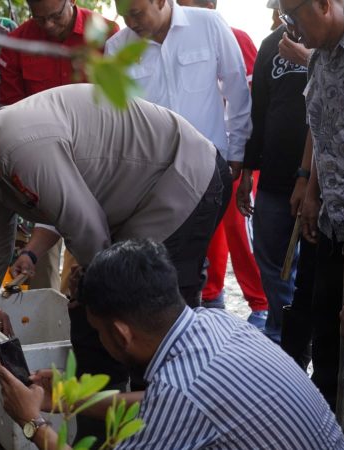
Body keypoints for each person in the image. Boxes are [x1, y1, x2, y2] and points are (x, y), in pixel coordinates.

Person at [0, 85, 229, 394]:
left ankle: (163, 421)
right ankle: (103, 433)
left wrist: (89, 288)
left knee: (150, 326)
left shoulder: (17, 147)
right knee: (92, 328)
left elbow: (85, 226)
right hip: (137, 206)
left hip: (181, 180)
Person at [0, 239, 344, 449]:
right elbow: (156, 403)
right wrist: (73, 398)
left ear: (120, 334)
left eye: (99, 332)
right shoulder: (216, 323)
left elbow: (173, 402)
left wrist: (33, 423)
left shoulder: (181, 392)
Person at [106, 0, 253, 312]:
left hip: (208, 169)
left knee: (188, 262)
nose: (131, 23)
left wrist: (237, 150)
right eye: (124, 15)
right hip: (152, 179)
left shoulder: (208, 25)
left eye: (136, 13)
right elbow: (117, 122)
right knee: (162, 263)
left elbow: (236, 87)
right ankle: (185, 327)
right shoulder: (117, 48)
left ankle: (195, 326)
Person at [282, 0, 344, 426]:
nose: (290, 27)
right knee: (327, 344)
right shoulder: (320, 57)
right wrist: (312, 189)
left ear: (323, 4)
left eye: (294, 14)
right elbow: (321, 131)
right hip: (333, 227)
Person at [0, 0, 119, 293]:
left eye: (55, 17)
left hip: (96, 161)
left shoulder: (107, 34)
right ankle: (45, 328)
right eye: (40, 20)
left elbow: (121, 101)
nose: (49, 26)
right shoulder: (17, 44)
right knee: (38, 264)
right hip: (42, 165)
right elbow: (12, 112)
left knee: (88, 264)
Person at [173, 0, 268, 328]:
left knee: (242, 238)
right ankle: (212, 310)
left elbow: (253, 104)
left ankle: (263, 311)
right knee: (208, 242)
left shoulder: (237, 38)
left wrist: (244, 162)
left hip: (236, 161)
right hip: (198, 165)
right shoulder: (172, 45)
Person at [237, 20, 311, 346]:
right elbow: (259, 112)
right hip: (272, 178)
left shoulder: (332, 46)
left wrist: (310, 59)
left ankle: (305, 336)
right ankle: (284, 333)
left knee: (311, 270)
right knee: (270, 261)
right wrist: (246, 175)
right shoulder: (270, 46)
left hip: (317, 184)